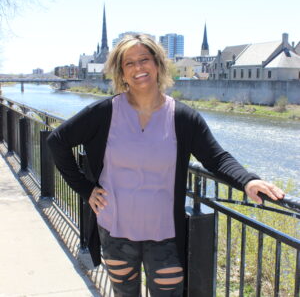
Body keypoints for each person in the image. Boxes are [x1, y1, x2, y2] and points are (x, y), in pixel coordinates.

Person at [47, 34, 284, 297]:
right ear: (121, 73)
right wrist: (85, 188)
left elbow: (216, 157)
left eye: (144, 60)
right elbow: (57, 141)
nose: (138, 68)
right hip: (116, 230)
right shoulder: (104, 113)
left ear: (158, 64)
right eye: (129, 63)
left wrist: (248, 181)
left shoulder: (183, 117)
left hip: (165, 235)